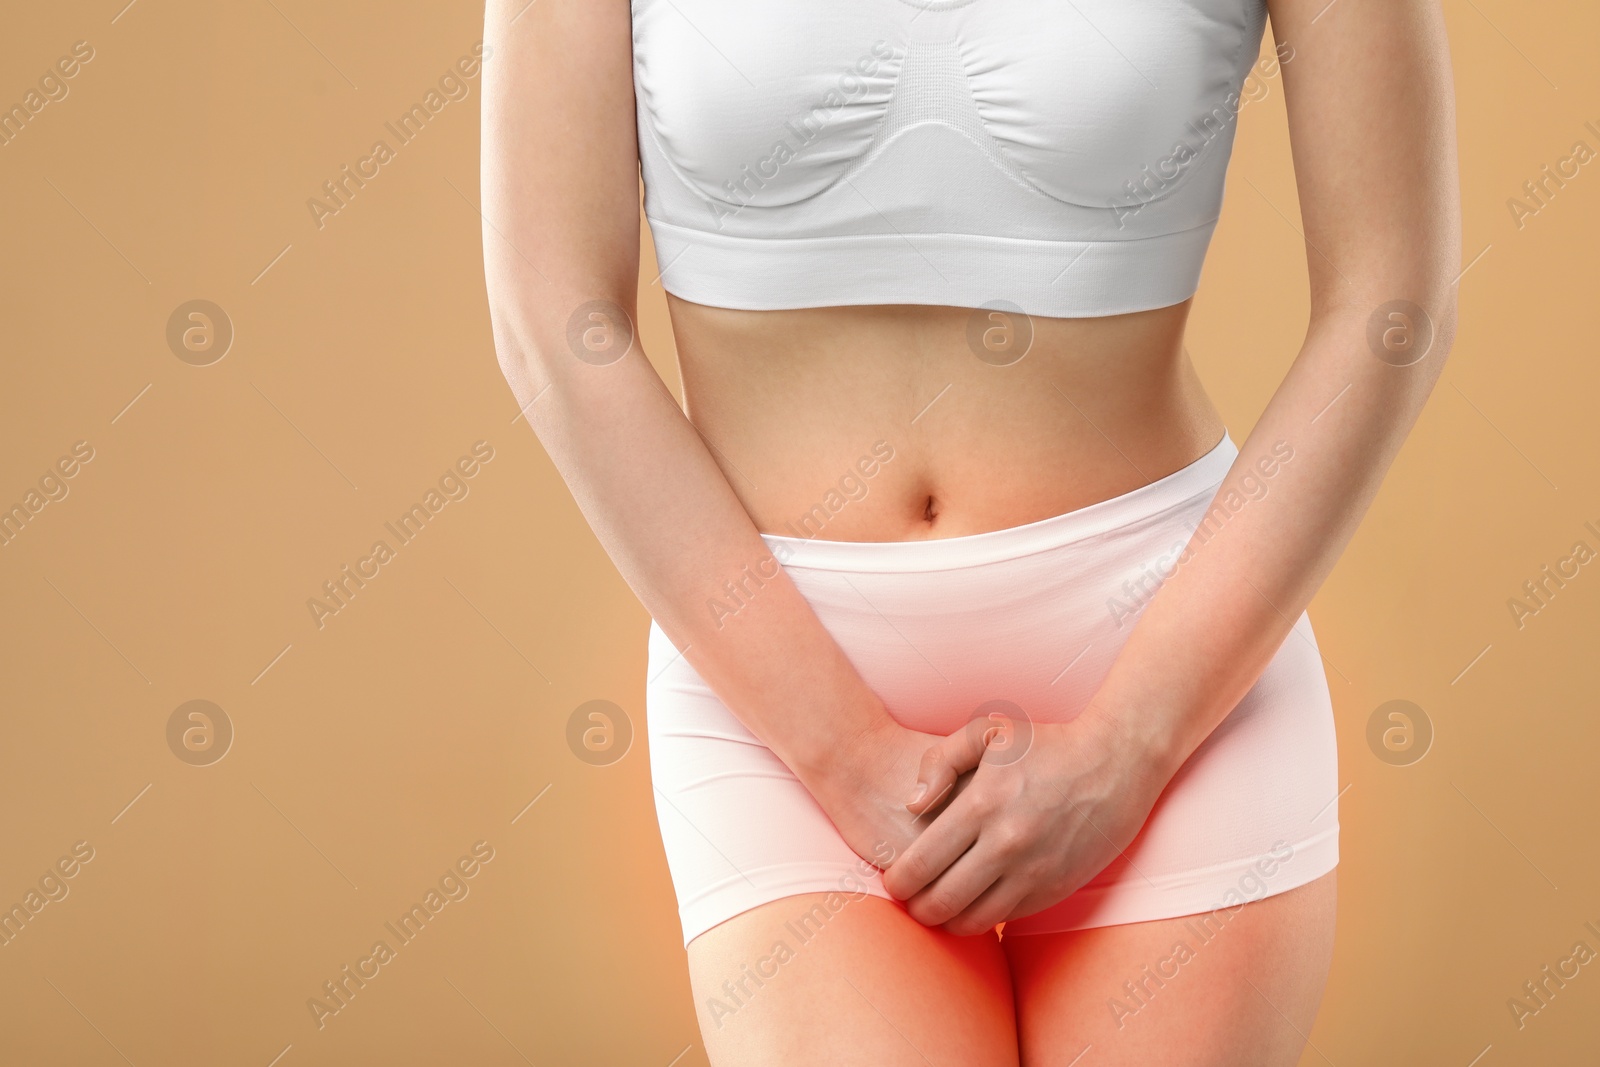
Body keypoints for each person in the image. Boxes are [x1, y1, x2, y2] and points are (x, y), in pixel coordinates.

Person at [480, 0, 1460, 1062]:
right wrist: (840, 750)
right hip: (775, 683)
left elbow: (1389, 308)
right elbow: (555, 326)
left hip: (1169, 653)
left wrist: (1133, 742)